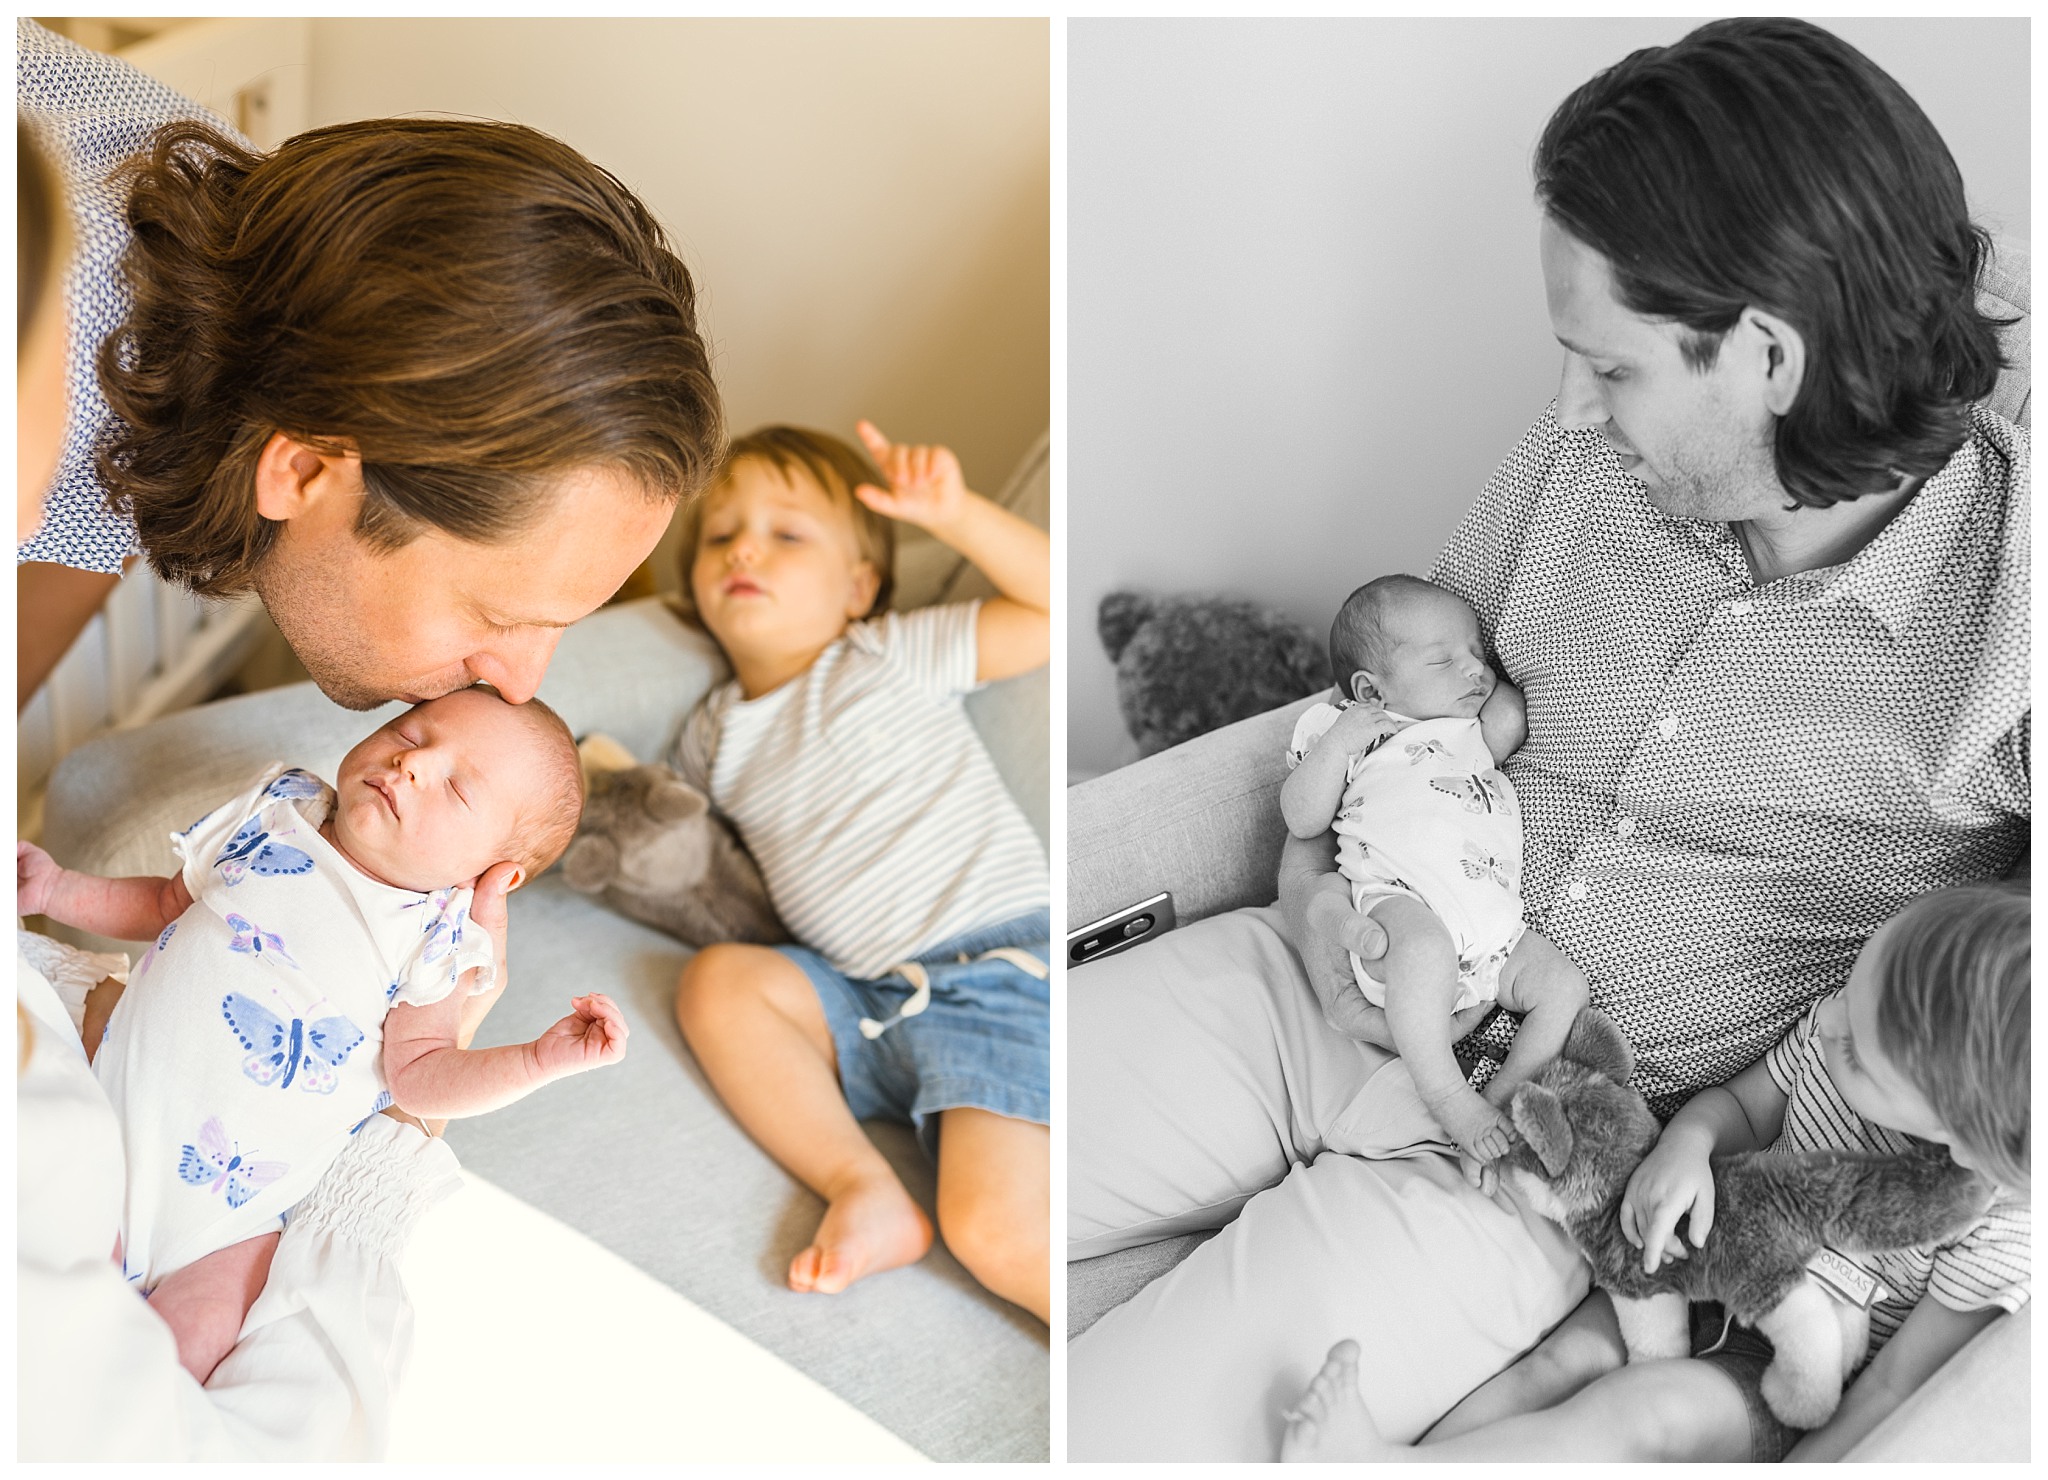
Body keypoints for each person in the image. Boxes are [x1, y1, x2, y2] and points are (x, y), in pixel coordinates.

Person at [1068, 18, 2026, 1459]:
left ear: (1767, 353)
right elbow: (1409, 711)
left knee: (1121, 1436)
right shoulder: (1582, 468)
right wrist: (1305, 889)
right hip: (1312, 986)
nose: (1572, 408)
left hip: (1549, 1160)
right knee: (954, 1116)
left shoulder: (2015, 606)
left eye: (1612, 368)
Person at [17, 19, 722, 710]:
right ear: (303, 471)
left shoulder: (228, 286)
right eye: (501, 620)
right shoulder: (26, 368)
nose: (521, 683)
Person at [1281, 883, 2030, 1463]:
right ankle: (1388, 1463)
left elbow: (1898, 1388)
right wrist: (1686, 1149)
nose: (1829, 1022)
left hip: (1784, 1375)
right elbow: (1740, 1105)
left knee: (1637, 1416)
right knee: (1557, 1364)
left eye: (1857, 1050)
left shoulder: (1999, 1226)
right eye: (1849, 991)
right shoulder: (1842, 1029)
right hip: (1686, 1264)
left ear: (1963, 1137)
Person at [18, 688, 626, 1384]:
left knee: (180, 1357)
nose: (414, 765)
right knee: (49, 1278)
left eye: (457, 787)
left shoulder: (434, 941)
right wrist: (56, 891)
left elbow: (422, 1077)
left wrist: (537, 1060)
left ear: (495, 873)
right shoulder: (278, 813)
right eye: (408, 732)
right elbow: (165, 903)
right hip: (107, 1117)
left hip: (228, 1226)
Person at [670, 422, 1052, 1321]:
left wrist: (954, 515)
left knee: (994, 1228)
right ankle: (862, 1183)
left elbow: (1043, 609)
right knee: (720, 984)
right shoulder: (710, 734)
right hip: (875, 997)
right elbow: (679, 855)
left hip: (1002, 974)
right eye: (720, 535)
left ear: (860, 587)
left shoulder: (885, 654)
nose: (745, 548)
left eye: (786, 533)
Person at [1280, 575, 1586, 1161]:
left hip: (1494, 931)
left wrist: (1475, 670)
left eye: (1476, 652)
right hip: (1399, 907)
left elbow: (1513, 713)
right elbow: (1300, 818)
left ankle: (1501, 1098)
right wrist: (1340, 740)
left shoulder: (1470, 733)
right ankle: (1447, 1094)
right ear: (1369, 690)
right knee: (1425, 955)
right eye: (1443, 659)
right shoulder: (1349, 731)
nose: (1473, 669)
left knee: (1563, 986)